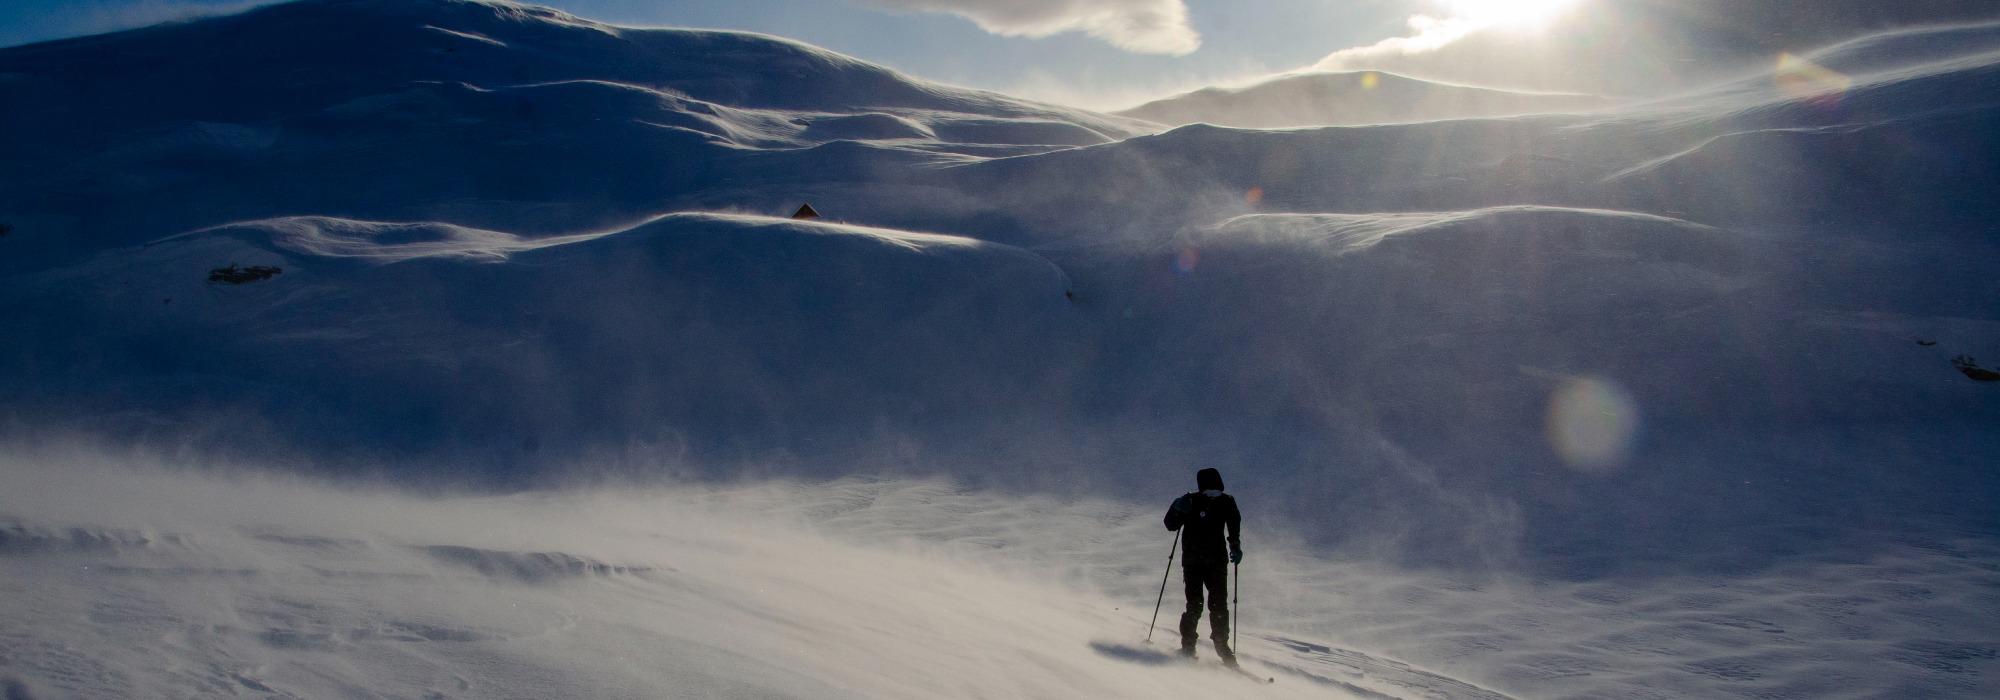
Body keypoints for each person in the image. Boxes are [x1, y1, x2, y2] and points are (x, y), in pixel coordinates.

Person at [1163, 467, 1242, 665]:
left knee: (1208, 605)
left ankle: (1213, 646)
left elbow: (1234, 524)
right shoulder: (1192, 501)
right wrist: (1176, 509)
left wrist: (1235, 545)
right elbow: (1170, 524)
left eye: (1216, 491)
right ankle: (1204, 647)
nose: (1213, 494)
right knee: (1206, 605)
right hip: (1198, 562)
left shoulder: (1224, 502)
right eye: (1210, 491)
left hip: (1208, 562)